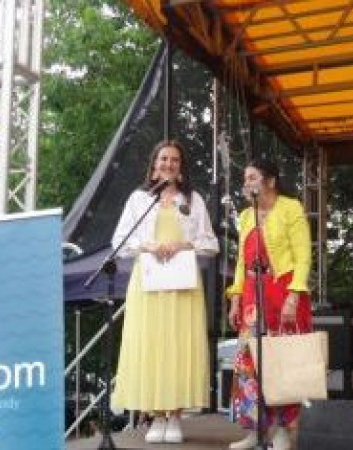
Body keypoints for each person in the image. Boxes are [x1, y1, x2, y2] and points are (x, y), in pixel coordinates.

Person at [109, 139, 219, 444]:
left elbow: (211, 244)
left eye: (174, 160)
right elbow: (119, 242)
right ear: (154, 165)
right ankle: (157, 416)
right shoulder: (139, 199)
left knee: (179, 347)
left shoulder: (193, 199)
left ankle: (175, 416)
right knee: (152, 345)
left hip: (183, 285)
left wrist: (184, 244)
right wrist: (149, 245)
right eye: (163, 159)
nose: (168, 164)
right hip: (148, 284)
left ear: (180, 166)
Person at [226, 159, 312, 450]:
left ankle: (284, 431)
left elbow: (303, 255)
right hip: (252, 294)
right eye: (245, 178)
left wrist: (294, 293)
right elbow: (241, 261)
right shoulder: (246, 216)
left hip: (283, 290)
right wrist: (235, 298)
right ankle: (254, 430)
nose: (246, 183)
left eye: (252, 177)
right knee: (248, 363)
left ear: (271, 181)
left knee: (283, 362)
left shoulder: (291, 207)